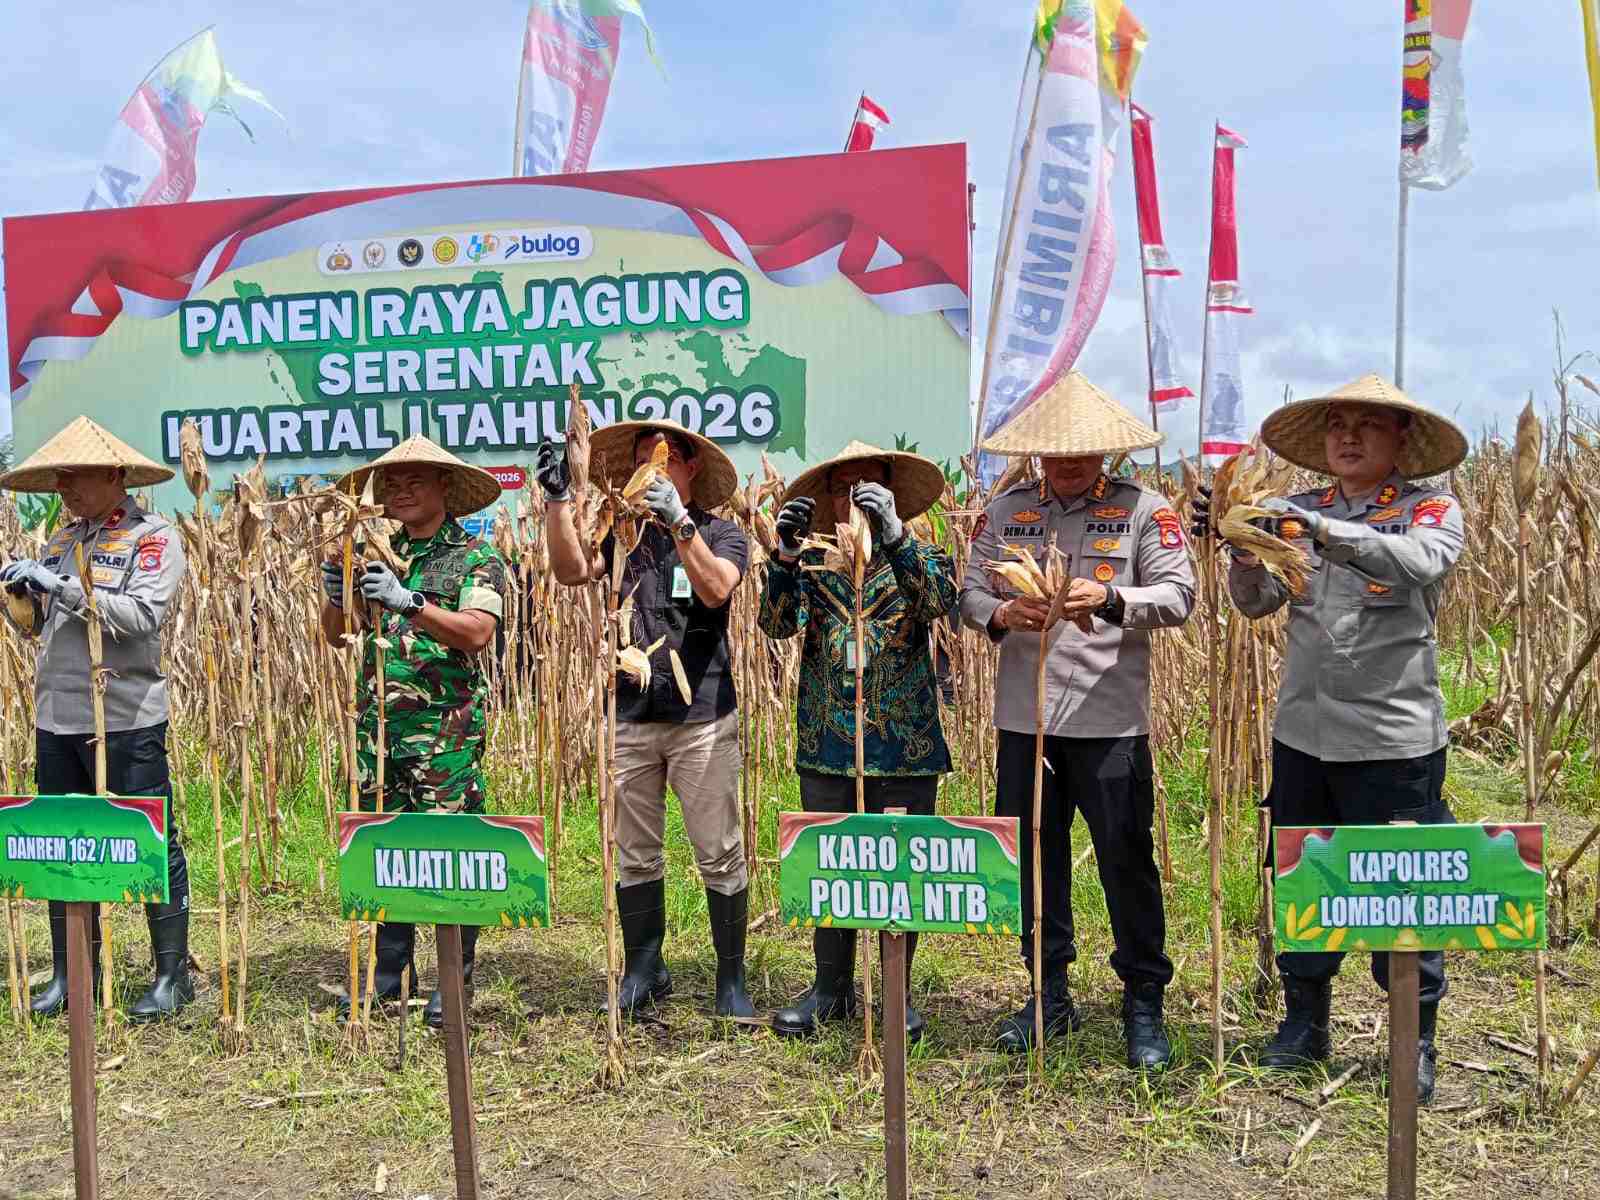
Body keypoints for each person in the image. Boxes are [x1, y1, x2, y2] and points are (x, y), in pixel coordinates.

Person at [1195, 373, 1468, 1104]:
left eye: (1367, 425)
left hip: (1393, 737)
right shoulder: (1302, 510)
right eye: (1338, 425)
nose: (1348, 437)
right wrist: (1242, 546)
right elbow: (1257, 603)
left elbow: (1419, 563)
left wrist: (1317, 532)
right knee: (1308, 878)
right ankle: (1304, 1023)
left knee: (1400, 889)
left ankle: (1414, 1037)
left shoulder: (1428, 510)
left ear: (1401, 439)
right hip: (1305, 734)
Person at [960, 373, 1195, 1068]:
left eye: (1081, 449)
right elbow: (969, 593)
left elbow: (1179, 595)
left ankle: (1143, 1000)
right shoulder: (1005, 512)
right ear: (1036, 450)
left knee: (1126, 860)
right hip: (1024, 720)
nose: (1066, 462)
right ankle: (1047, 992)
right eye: (1054, 450)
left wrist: (1114, 598)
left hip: (1108, 719)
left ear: (1105, 450)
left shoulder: (1145, 511)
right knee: (1035, 859)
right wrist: (1003, 612)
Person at [537, 419, 754, 1018]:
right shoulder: (622, 534)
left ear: (690, 468)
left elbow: (715, 589)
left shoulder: (722, 533)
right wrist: (558, 501)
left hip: (702, 718)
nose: (650, 469)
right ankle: (643, 968)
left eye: (664, 458)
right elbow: (570, 571)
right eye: (641, 460)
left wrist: (681, 523)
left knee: (718, 851)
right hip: (630, 713)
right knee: (635, 851)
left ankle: (731, 979)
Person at [758, 441, 956, 1042]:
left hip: (905, 745)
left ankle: (897, 993)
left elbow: (938, 602)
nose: (859, 499)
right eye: (847, 489)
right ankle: (831, 989)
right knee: (830, 864)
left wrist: (894, 536)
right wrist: (784, 556)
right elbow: (775, 625)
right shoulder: (815, 566)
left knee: (900, 868)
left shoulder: (922, 554)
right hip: (829, 742)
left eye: (871, 486)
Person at [0, 417, 191, 1020]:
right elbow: (38, 628)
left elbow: (140, 617)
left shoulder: (152, 538)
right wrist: (20, 597)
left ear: (113, 475)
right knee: (65, 836)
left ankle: (172, 976)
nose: (64, 487)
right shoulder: (61, 540)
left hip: (125, 717)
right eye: (58, 477)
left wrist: (61, 586)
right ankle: (74, 974)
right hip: (57, 716)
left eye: (74, 476)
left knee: (148, 835)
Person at [318, 436, 506, 1029]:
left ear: (444, 487)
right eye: (392, 483)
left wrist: (409, 602)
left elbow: (477, 632)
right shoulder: (374, 552)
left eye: (414, 481)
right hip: (378, 729)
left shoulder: (475, 555)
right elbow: (337, 634)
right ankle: (390, 972)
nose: (400, 491)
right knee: (386, 846)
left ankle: (453, 978)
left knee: (451, 850)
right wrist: (336, 595)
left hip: (444, 733)